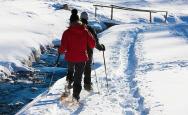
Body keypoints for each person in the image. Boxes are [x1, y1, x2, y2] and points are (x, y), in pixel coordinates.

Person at [58, 9, 95, 101]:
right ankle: (75, 97)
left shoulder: (66, 33)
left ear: (70, 22)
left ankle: (68, 86)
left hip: (70, 57)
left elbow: (62, 48)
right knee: (78, 77)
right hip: (82, 58)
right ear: (79, 21)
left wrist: (59, 51)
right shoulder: (85, 31)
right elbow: (92, 44)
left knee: (70, 71)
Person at [80, 11, 105, 91]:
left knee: (78, 69)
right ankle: (87, 86)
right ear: (87, 18)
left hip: (77, 52)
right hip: (88, 52)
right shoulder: (90, 29)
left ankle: (74, 86)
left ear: (80, 18)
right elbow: (95, 42)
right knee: (87, 68)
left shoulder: (75, 28)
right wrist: (101, 48)